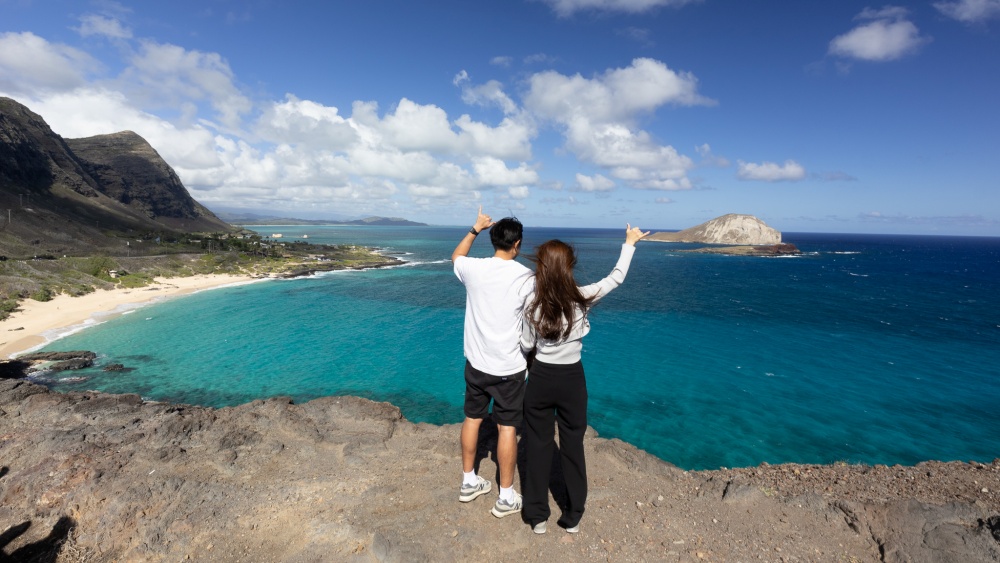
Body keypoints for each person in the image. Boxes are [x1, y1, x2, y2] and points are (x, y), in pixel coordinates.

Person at [520, 224, 649, 534]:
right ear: (569, 267)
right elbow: (616, 277)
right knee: (572, 445)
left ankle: (537, 517)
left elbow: (525, 346)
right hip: (572, 380)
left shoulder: (531, 305)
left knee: (537, 447)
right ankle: (573, 515)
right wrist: (629, 243)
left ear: (542, 268)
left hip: (539, 379)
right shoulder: (582, 298)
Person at [451, 206, 534, 518]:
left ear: (493, 240)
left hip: (476, 363)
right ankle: (506, 497)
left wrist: (475, 228)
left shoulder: (474, 269)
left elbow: (456, 257)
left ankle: (469, 482)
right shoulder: (527, 278)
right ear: (517, 244)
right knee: (507, 428)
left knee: (473, 418)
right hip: (509, 368)